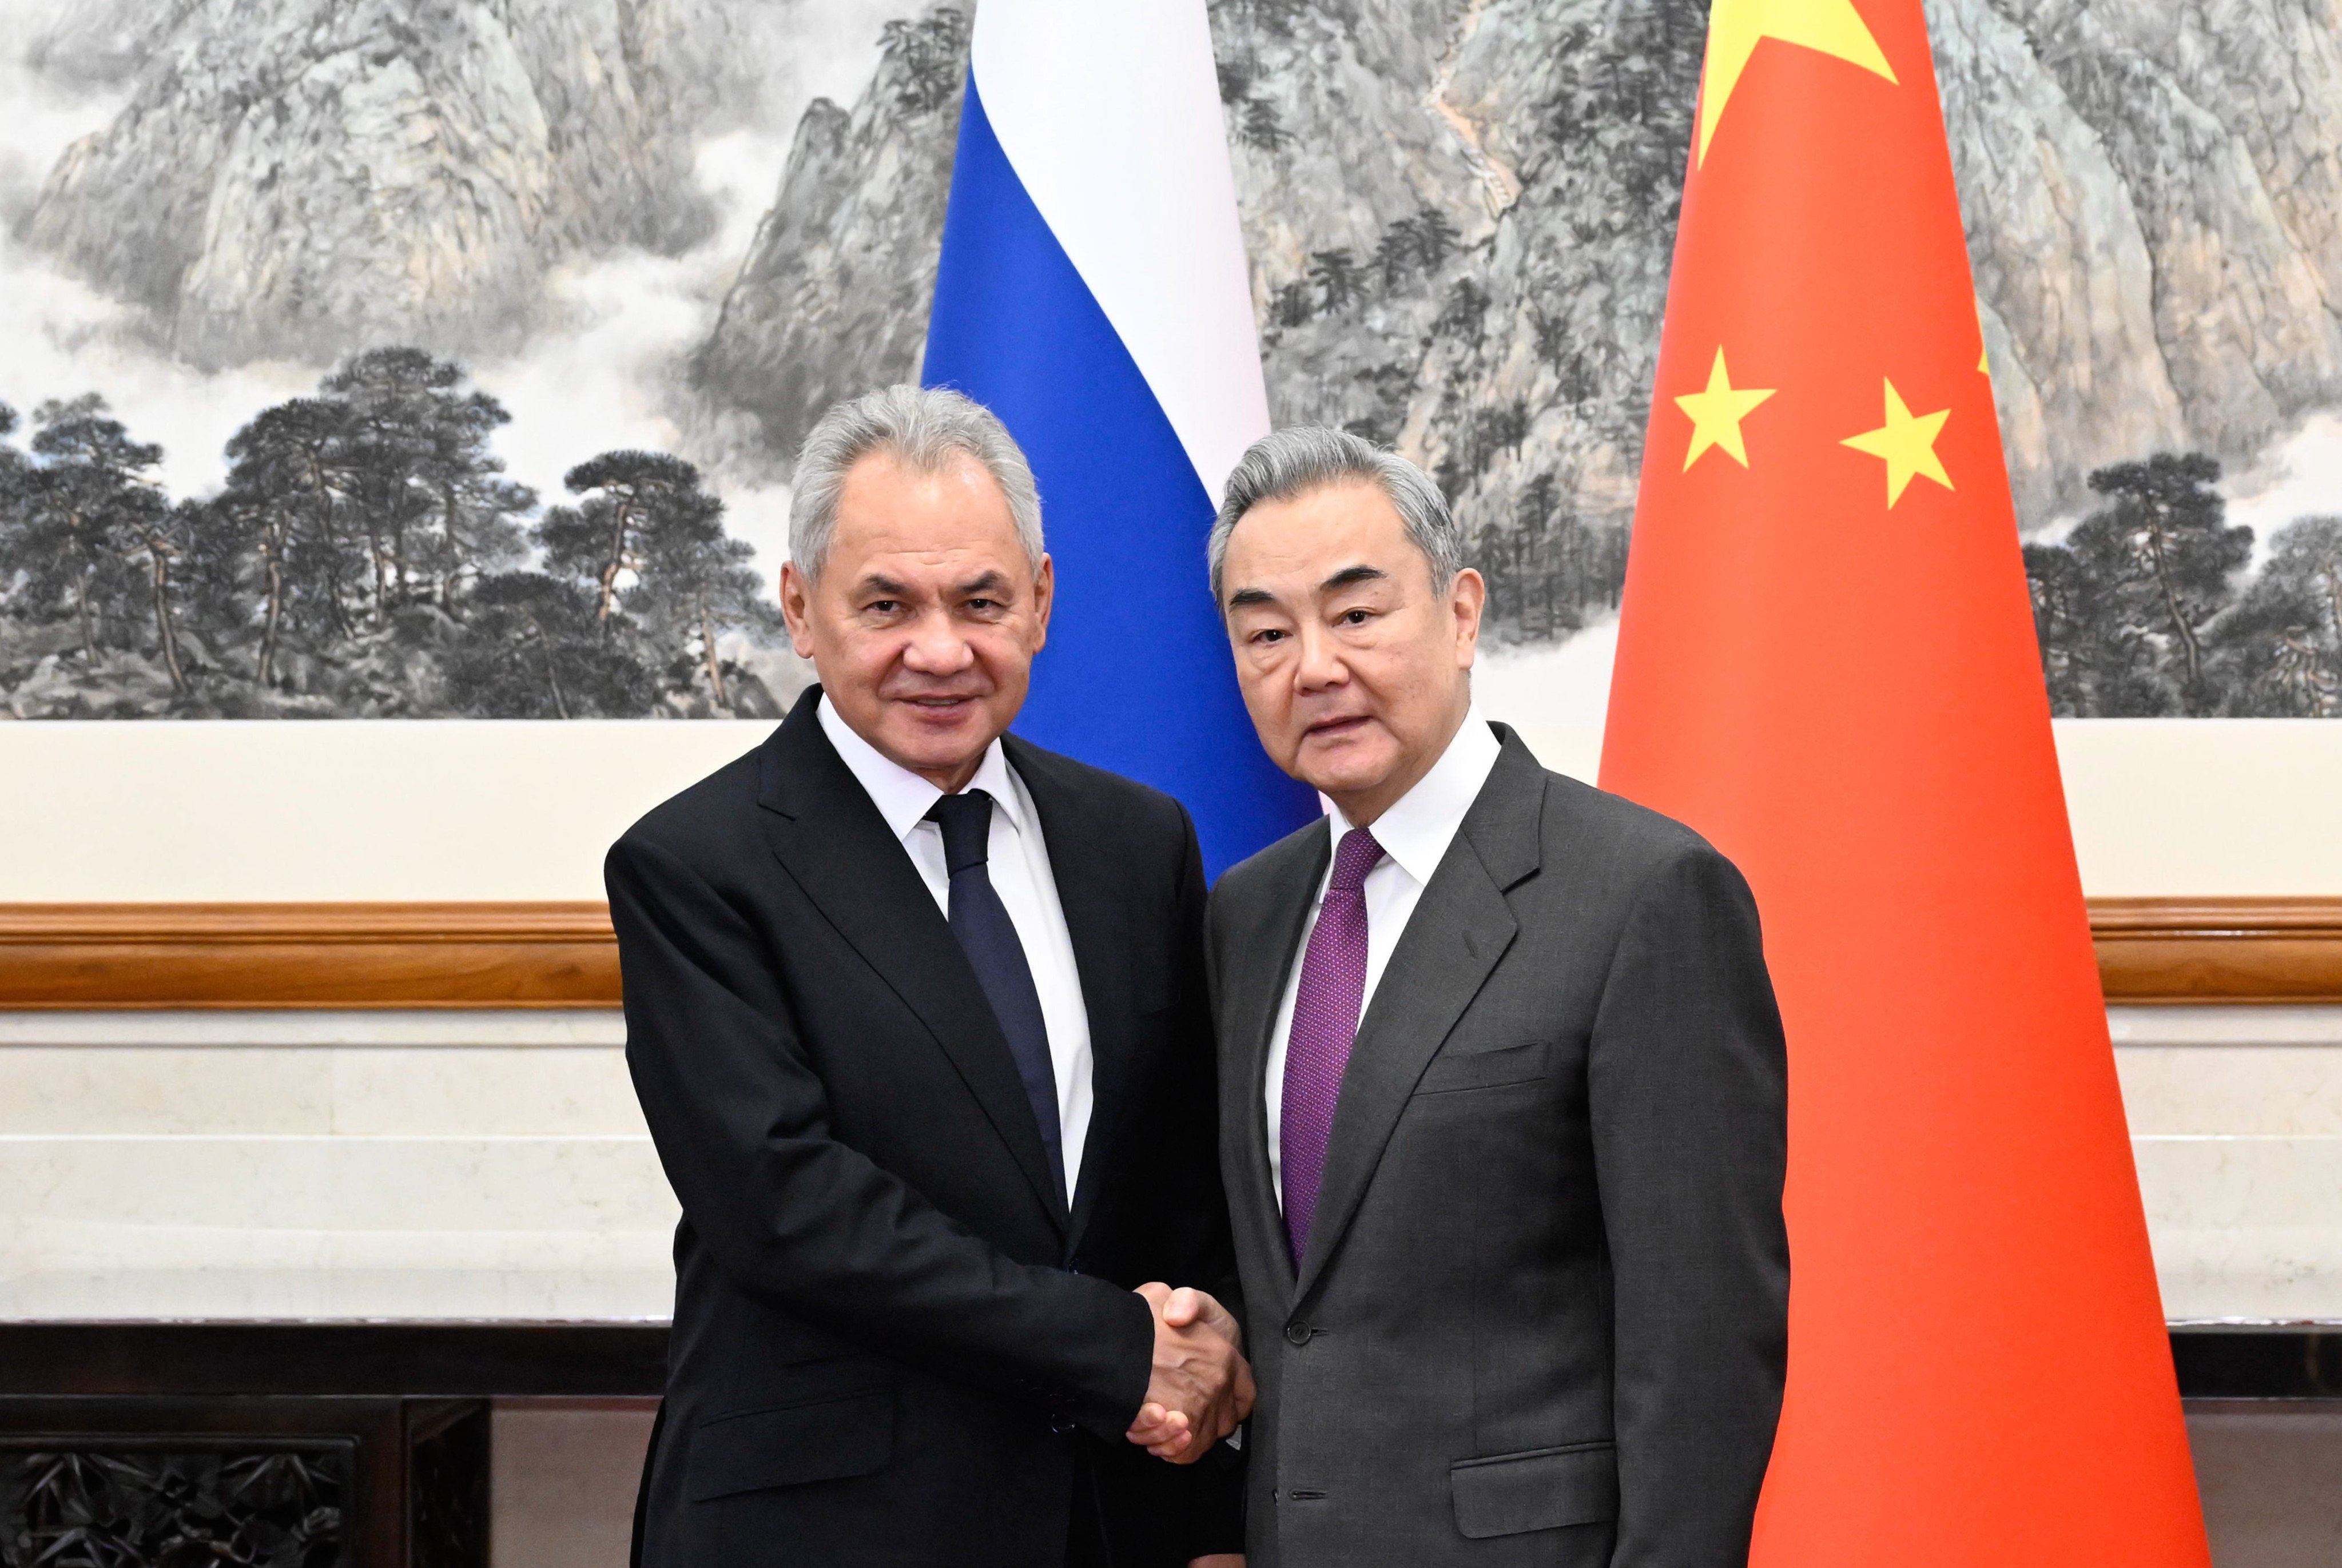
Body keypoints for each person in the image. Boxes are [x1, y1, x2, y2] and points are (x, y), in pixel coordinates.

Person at [610, 384, 1250, 1568]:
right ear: (800, 610)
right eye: (886, 605)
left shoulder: (1136, 843)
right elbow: (788, 1208)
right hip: (827, 1525)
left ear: (1042, 604)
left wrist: (1207, 1429)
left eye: (981, 601)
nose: (940, 650)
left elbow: (1176, 1185)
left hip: (1107, 1517)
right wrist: (1115, 1348)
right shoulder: (695, 869)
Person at [1203, 428, 1789, 1567]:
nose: (1312, 666)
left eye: (1356, 613)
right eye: (1265, 633)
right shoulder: (1248, 914)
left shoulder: (1643, 896)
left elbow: (1702, 1336)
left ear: (1461, 613)